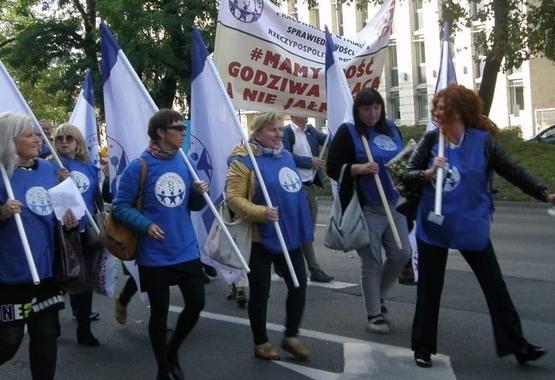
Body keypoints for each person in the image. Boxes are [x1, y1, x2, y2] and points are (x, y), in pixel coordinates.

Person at [402, 84, 551, 368]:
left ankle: (517, 345)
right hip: (434, 226)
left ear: (461, 111)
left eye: (445, 108)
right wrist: (429, 171)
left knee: (495, 285)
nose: (439, 114)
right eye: (438, 109)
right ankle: (422, 347)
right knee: (429, 288)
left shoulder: (483, 142)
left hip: (471, 224)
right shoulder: (432, 140)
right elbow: (406, 176)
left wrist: (544, 193)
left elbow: (513, 170)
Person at [112, 109, 208, 380]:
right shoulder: (139, 166)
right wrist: (145, 225)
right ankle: (163, 369)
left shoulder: (185, 161)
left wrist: (199, 194)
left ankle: (173, 349)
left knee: (196, 302)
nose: (183, 132)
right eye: (178, 128)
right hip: (155, 254)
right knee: (159, 313)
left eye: (183, 127)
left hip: (185, 248)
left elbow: (193, 205)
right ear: (161, 132)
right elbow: (119, 207)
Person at [226, 112, 314, 361]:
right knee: (260, 291)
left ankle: (291, 336)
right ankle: (260, 342)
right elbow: (233, 198)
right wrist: (261, 212)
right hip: (259, 237)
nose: (279, 134)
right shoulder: (242, 160)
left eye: (280, 129)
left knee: (299, 284)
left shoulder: (285, 155)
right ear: (257, 133)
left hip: (288, 234)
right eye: (273, 130)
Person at [0, 112, 79, 380]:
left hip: (45, 270)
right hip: (9, 275)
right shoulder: (1, 174)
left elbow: (58, 215)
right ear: (11, 141)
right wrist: (2, 213)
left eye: (38, 133)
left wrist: (69, 223)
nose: (39, 138)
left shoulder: (48, 170)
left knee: (46, 336)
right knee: (8, 342)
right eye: (30, 134)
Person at [326, 88, 411, 334]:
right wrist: (359, 168)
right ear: (357, 110)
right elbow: (333, 167)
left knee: (401, 253)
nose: (372, 113)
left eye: (376, 107)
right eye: (366, 108)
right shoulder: (349, 132)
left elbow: (403, 161)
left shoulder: (392, 128)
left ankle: (378, 295)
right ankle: (374, 314)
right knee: (372, 262)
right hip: (367, 207)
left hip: (395, 204)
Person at [52, 123, 103, 346]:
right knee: (60, 279)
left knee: (83, 281)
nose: (64, 142)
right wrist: (56, 180)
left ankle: (84, 328)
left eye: (69, 138)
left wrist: (109, 178)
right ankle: (50, 319)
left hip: (86, 232)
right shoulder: (50, 165)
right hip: (62, 233)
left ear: (78, 142)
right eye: (59, 138)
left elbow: (99, 199)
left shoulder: (89, 167)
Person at [282, 115, 334, 283]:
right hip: (294, 186)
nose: (306, 113)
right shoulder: (286, 132)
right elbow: (286, 156)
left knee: (306, 229)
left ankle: (281, 259)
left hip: (309, 184)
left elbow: (329, 140)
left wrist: (339, 126)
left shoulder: (310, 131)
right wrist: (309, 161)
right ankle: (314, 269)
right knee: (304, 229)